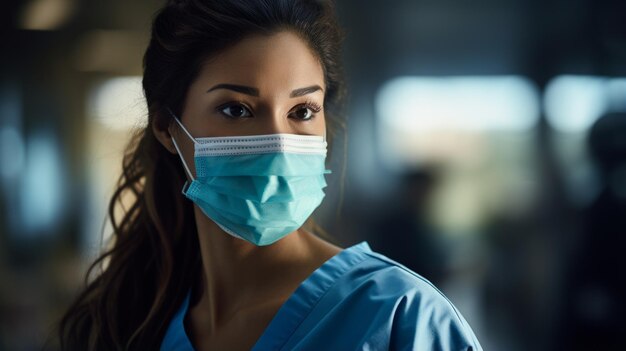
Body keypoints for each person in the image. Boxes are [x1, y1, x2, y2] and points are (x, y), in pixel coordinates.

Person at [58, 0, 482, 350]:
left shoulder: (400, 318)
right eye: (237, 110)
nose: (278, 143)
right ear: (168, 128)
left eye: (301, 112)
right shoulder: (134, 324)